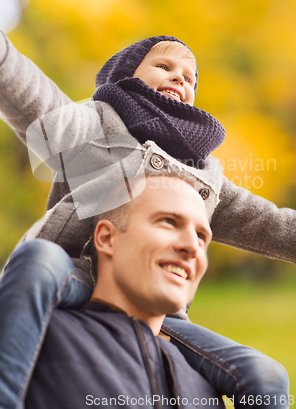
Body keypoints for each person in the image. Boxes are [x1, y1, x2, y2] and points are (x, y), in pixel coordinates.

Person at [0, 32, 291, 409]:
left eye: (189, 77)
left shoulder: (204, 174)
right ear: (126, 77)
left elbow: (269, 223)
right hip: (76, 274)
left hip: (161, 309)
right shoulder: (94, 127)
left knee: (266, 376)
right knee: (38, 260)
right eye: (164, 66)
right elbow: (32, 93)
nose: (180, 78)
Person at [23, 175, 283, 408]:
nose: (193, 247)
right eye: (168, 221)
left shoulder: (206, 392)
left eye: (202, 237)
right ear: (106, 238)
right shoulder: (37, 339)